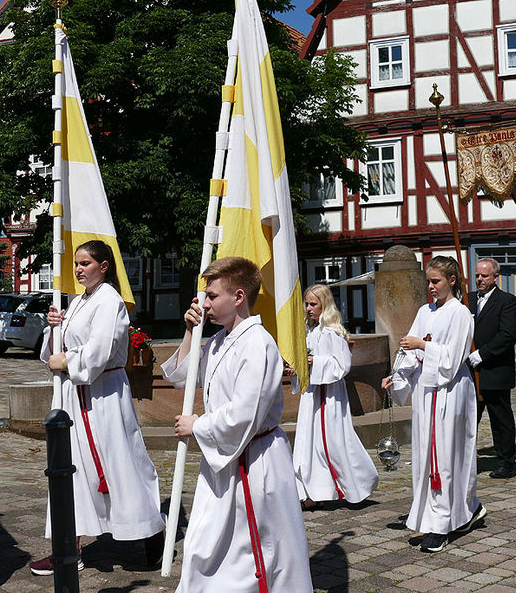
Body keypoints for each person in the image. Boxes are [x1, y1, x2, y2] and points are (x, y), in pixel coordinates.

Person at [162, 257, 311, 592]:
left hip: (254, 461)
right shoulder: (217, 342)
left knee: (255, 549)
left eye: (212, 296)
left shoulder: (258, 344)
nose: (204, 303)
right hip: (222, 463)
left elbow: (245, 413)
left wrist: (197, 426)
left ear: (239, 297)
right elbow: (184, 379)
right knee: (206, 543)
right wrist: (190, 331)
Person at [29, 241, 165, 575]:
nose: (78, 269)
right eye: (76, 263)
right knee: (71, 470)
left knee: (121, 465)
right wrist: (53, 328)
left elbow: (100, 350)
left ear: (104, 266)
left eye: (85, 263)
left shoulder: (109, 301)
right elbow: (58, 349)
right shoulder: (77, 302)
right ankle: (68, 546)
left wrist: (67, 360)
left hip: (103, 396)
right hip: (76, 397)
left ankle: (151, 527)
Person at [383, 256, 484, 554]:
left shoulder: (461, 313)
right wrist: (396, 377)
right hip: (427, 393)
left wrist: (423, 346)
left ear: (452, 280)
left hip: (450, 393)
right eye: (428, 281)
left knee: (447, 456)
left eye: (435, 281)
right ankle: (459, 509)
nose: (430, 287)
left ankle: (441, 525)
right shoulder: (423, 312)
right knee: (427, 455)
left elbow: (452, 359)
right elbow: (409, 351)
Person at [292, 284, 378, 506]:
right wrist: (298, 367)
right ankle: (313, 492)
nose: (308, 308)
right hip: (311, 393)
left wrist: (315, 362)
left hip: (329, 395)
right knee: (308, 442)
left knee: (332, 441)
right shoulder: (308, 331)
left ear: (324, 304)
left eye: (313, 304)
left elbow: (342, 365)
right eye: (307, 304)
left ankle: (357, 483)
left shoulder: (333, 332)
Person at [467, 257, 516, 479]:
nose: (479, 279)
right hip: (470, 372)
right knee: (468, 420)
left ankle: (506, 461)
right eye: (477, 275)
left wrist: (483, 354)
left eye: (484, 276)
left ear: (495, 277)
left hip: (495, 370)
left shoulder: (507, 301)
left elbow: (507, 335)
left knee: (500, 419)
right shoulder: (466, 299)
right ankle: (467, 461)